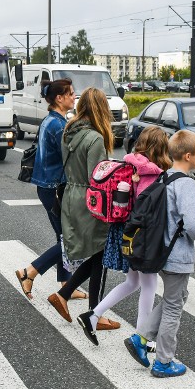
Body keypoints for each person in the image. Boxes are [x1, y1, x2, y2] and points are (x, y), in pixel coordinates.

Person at [124, 129, 195, 378]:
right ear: (188, 155)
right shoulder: (186, 184)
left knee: (177, 297)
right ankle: (163, 362)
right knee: (174, 305)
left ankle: (140, 339)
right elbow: (192, 224)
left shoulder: (165, 177)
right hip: (177, 254)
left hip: (160, 250)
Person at [77, 126, 172, 345]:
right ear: (160, 149)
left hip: (125, 231)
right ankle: (142, 337)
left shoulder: (129, 165)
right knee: (148, 285)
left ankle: (93, 315)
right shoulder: (152, 175)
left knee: (133, 282)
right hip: (141, 235)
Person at [46, 87, 119, 330]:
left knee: (98, 253)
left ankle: (64, 295)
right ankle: (94, 314)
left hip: (71, 196)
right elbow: (97, 177)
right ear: (102, 109)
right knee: (101, 252)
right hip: (91, 199)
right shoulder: (95, 137)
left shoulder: (70, 130)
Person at [14, 78, 86, 301]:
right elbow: (72, 156)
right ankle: (30, 272)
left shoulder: (52, 120)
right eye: (71, 93)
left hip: (48, 186)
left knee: (63, 237)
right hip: (56, 188)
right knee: (70, 240)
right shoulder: (57, 125)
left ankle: (67, 284)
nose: (74, 97)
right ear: (59, 98)